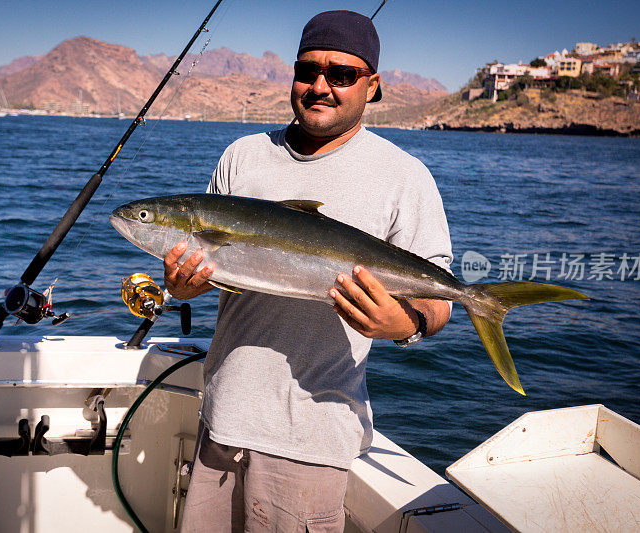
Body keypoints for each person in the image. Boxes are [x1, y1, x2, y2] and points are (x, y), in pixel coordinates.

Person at [168, 10, 453, 532]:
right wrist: (182, 286)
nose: (321, 87)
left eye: (342, 75)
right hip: (222, 420)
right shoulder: (242, 156)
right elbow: (213, 270)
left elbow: (439, 300)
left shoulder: (404, 177)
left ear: (373, 86)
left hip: (312, 440)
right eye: (307, 71)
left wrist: (404, 326)